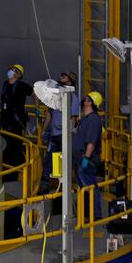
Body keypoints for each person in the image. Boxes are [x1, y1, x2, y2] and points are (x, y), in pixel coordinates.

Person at [40, 72, 78, 190]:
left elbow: (73, 117)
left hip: (65, 135)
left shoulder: (73, 97)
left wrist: (70, 133)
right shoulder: (55, 96)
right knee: (49, 160)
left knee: (67, 160)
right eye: (61, 75)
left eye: (64, 76)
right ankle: (46, 184)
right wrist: (43, 130)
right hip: (54, 135)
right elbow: (49, 116)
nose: (61, 77)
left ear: (70, 81)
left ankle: (67, 185)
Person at [72, 91, 105, 224]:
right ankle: (87, 214)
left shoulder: (94, 120)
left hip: (86, 159)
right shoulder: (86, 119)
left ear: (91, 103)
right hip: (79, 157)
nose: (84, 101)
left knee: (89, 186)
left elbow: (91, 142)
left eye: (86, 100)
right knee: (84, 188)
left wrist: (86, 158)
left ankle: (95, 215)